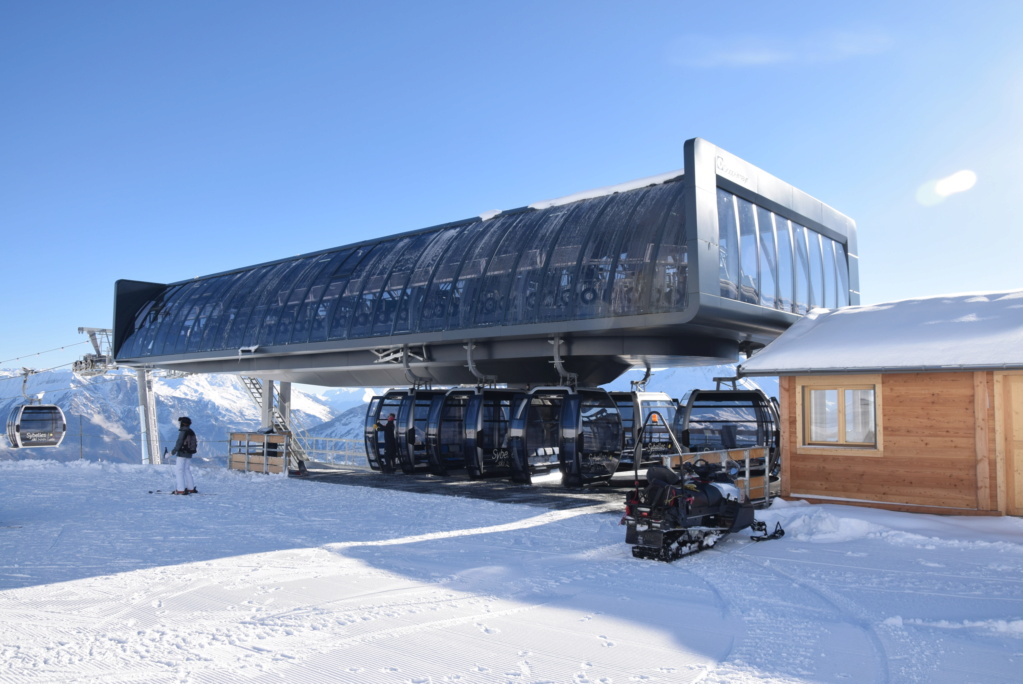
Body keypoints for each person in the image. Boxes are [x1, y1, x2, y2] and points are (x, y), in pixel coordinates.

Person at [171, 416, 198, 495]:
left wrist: (172, 452)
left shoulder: (183, 431)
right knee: (187, 470)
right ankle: (191, 488)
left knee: (179, 470)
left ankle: (180, 489)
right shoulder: (191, 431)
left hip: (182, 453)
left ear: (182, 423)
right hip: (189, 453)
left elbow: (179, 442)